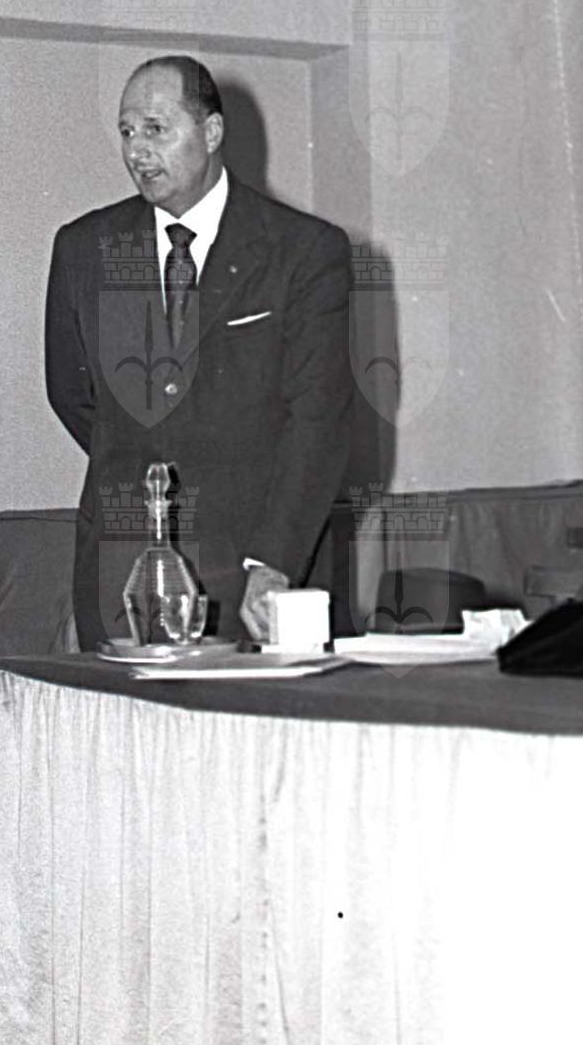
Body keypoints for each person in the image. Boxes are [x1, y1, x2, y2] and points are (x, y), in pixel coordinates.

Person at [44, 56, 352, 646]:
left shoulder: (303, 250)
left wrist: (273, 562)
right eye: (126, 131)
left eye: (156, 129)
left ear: (211, 132)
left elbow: (319, 421)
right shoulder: (84, 248)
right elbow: (72, 395)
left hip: (255, 576)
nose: (137, 151)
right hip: (122, 575)